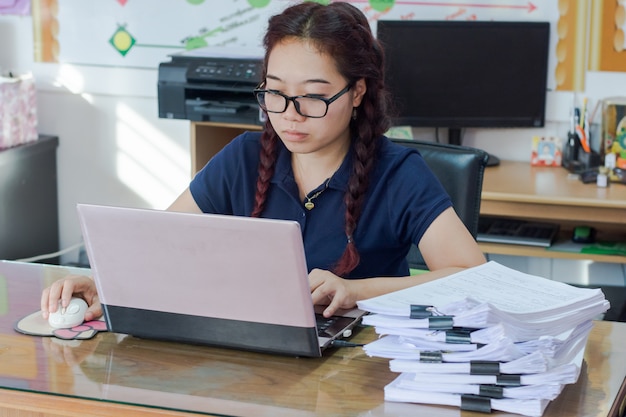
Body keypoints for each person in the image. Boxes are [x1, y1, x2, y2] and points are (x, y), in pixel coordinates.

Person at [41, 2, 485, 324]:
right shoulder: (244, 158)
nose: (289, 112)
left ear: (357, 92)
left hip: (356, 369)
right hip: (249, 355)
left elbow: (471, 279)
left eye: (312, 95)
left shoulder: (399, 173)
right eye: (274, 91)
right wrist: (102, 282)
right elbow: (162, 246)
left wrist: (355, 291)